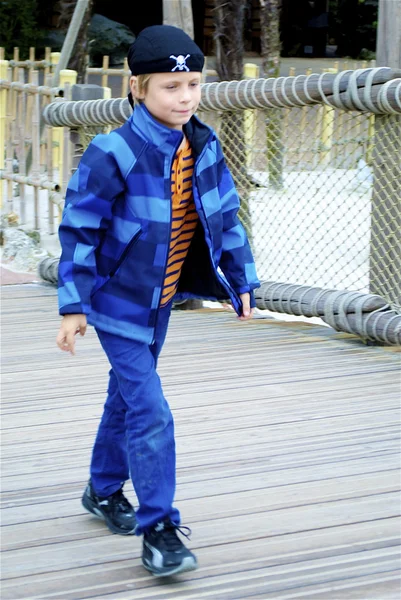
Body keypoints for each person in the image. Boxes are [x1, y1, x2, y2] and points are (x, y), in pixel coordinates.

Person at [56, 24, 260, 577]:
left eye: (193, 83)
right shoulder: (113, 150)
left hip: (161, 300)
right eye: (171, 86)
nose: (186, 97)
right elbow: (79, 229)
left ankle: (101, 491)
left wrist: (241, 281)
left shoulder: (204, 144)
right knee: (150, 411)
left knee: (124, 400)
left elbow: (226, 217)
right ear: (138, 87)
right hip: (115, 302)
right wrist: (73, 306)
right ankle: (160, 528)